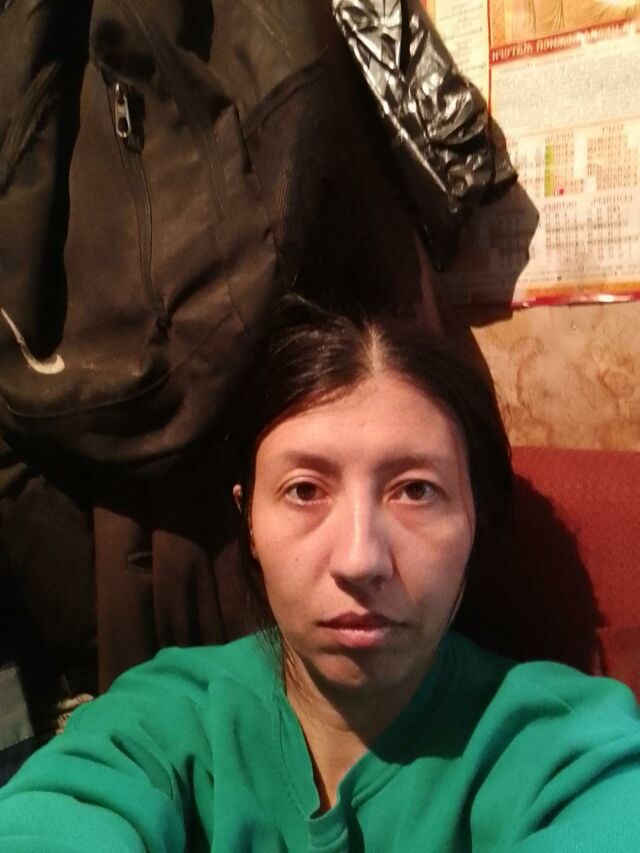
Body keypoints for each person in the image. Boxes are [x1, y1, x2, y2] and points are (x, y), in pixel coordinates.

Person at [0, 299, 639, 852]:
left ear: (477, 520)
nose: (360, 560)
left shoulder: (566, 747)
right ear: (249, 521)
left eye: (416, 490)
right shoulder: (163, 721)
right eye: (305, 490)